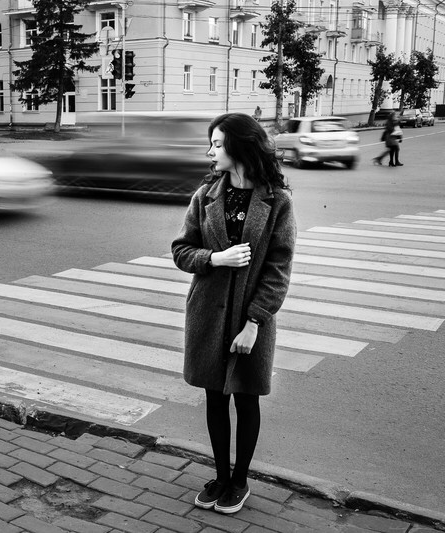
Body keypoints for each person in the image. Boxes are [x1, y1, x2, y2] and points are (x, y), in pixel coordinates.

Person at [170, 112, 296, 515]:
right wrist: (216, 258)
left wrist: (255, 321)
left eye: (217, 144)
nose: (210, 151)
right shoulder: (205, 196)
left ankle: (239, 481)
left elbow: (279, 268)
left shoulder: (276, 201)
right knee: (213, 397)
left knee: (245, 399)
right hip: (207, 313)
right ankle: (221, 475)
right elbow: (181, 251)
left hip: (249, 319)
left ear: (240, 147)